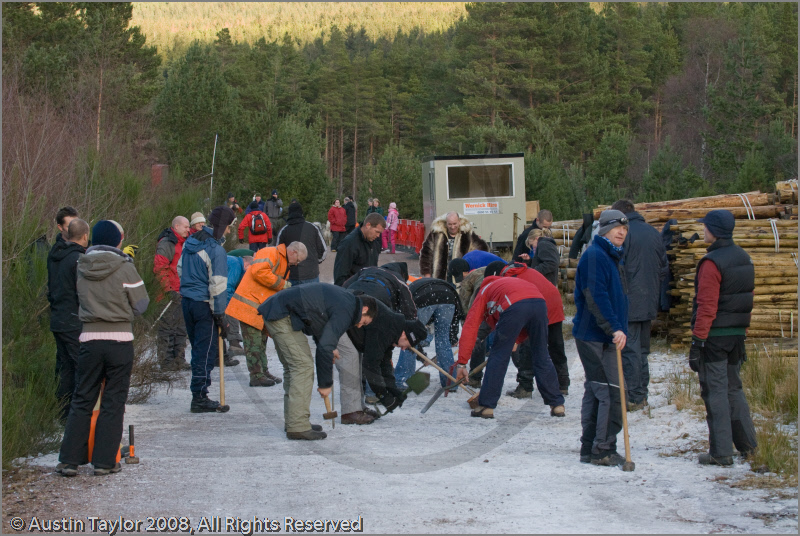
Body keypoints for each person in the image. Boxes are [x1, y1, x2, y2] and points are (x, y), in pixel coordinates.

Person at [56, 220, 149, 477]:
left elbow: (75, 298)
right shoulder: (125, 267)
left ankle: (69, 460)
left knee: (82, 398)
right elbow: (141, 304)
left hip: (88, 339)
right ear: (118, 241)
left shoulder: (80, 266)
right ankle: (105, 462)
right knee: (113, 401)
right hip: (119, 340)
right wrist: (123, 313)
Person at [258, 283, 377, 440]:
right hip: (281, 315)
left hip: (278, 309)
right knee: (302, 367)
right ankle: (298, 426)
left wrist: (331, 346)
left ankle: (294, 420)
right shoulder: (347, 309)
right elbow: (323, 348)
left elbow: (319, 321)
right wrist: (325, 384)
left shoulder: (345, 301)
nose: (359, 326)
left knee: (294, 368)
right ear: (365, 309)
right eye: (364, 322)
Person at [689, 209, 757, 466]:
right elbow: (746, 301)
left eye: (705, 226)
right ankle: (748, 446)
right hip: (737, 336)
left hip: (714, 337)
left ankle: (720, 452)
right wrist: (742, 333)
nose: (703, 230)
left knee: (715, 392)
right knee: (734, 390)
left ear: (714, 230)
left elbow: (707, 306)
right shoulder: (744, 258)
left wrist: (697, 341)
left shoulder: (712, 263)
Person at [455, 276, 566, 419]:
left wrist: (462, 362)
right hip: (540, 303)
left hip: (514, 304)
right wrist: (516, 339)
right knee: (541, 354)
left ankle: (486, 406)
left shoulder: (484, 291)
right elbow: (527, 310)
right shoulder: (508, 284)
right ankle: (557, 404)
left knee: (498, 355)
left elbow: (471, 326)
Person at [572, 209, 629, 467]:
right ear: (604, 229)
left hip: (603, 336)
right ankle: (603, 449)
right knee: (610, 392)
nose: (622, 232)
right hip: (594, 336)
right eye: (617, 227)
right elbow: (596, 296)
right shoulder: (595, 256)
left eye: (625, 229)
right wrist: (614, 327)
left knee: (597, 391)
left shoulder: (610, 256)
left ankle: (590, 446)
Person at [610, 199, 667, 411]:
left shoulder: (624, 234)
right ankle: (641, 393)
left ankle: (635, 396)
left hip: (629, 300)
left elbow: (617, 267)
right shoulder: (653, 232)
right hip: (649, 299)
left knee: (630, 350)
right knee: (642, 350)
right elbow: (663, 267)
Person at [178, 206, 236, 413]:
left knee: (198, 348)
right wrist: (220, 315)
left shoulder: (189, 243)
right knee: (206, 351)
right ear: (224, 226)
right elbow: (218, 285)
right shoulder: (215, 250)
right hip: (204, 305)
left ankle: (199, 393)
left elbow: (179, 269)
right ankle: (199, 396)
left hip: (188, 302)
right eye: (229, 227)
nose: (229, 232)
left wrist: (188, 287)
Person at [226, 242, 306, 387]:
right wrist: (282, 284)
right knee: (253, 344)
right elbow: (259, 272)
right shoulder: (271, 253)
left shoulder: (280, 259)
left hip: (259, 307)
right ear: (293, 252)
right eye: (299, 260)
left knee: (261, 342)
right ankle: (256, 375)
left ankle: (262, 371)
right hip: (250, 306)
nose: (297, 264)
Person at [485, 261, 570, 396]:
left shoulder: (509, 279)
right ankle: (562, 383)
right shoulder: (521, 270)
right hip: (554, 301)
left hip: (538, 305)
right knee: (556, 345)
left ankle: (525, 386)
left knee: (527, 347)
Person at [47, 217, 89, 422]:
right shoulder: (78, 259)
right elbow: (83, 292)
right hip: (73, 319)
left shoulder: (55, 254)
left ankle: (62, 412)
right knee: (79, 367)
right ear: (85, 236)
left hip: (57, 316)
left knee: (64, 367)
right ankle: (76, 416)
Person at [395, 277, 465, 390]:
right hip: (448, 298)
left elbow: (409, 323)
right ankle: (450, 382)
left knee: (410, 339)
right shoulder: (427, 285)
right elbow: (455, 319)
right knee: (443, 340)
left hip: (425, 299)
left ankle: (403, 379)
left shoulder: (409, 291)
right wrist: (452, 337)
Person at [153, 216, 192, 371]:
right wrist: (168, 290)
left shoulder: (185, 243)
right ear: (176, 226)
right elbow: (160, 268)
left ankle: (179, 359)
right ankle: (166, 361)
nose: (188, 230)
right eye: (186, 227)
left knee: (181, 328)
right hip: (168, 294)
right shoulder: (167, 243)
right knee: (166, 329)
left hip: (182, 291)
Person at [419, 211, 488, 280]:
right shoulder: (436, 234)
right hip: (440, 278)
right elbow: (426, 254)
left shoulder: (467, 235)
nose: (452, 227)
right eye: (450, 224)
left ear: (459, 222)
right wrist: (427, 274)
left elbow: (482, 251)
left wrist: (470, 270)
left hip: (461, 279)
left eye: (455, 224)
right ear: (446, 223)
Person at [277, 201, 327, 286]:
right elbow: (323, 250)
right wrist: (314, 262)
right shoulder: (313, 227)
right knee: (312, 299)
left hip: (291, 275)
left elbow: (278, 254)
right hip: (311, 274)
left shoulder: (284, 231)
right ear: (301, 213)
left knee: (292, 299)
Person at [333, 213, 386, 286]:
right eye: (377, 232)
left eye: (380, 233)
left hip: (368, 288)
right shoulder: (349, 243)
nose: (378, 235)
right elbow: (340, 276)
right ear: (368, 225)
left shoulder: (375, 242)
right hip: (352, 291)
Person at [221, 249, 252, 366]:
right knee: (233, 308)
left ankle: (234, 343)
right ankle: (234, 344)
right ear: (247, 264)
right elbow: (228, 287)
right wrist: (230, 305)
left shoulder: (234, 262)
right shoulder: (236, 265)